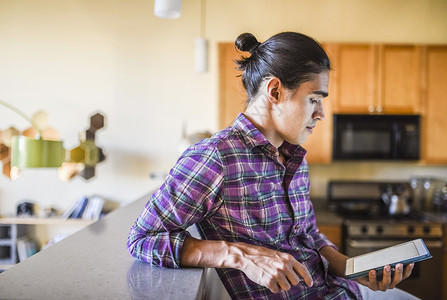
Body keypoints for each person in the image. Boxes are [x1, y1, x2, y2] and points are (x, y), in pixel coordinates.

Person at [127, 32, 417, 300]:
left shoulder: (295, 158)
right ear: (275, 91)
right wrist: (237, 255)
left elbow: (308, 235)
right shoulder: (214, 158)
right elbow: (142, 239)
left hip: (344, 290)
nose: (321, 113)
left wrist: (350, 266)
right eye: (314, 98)